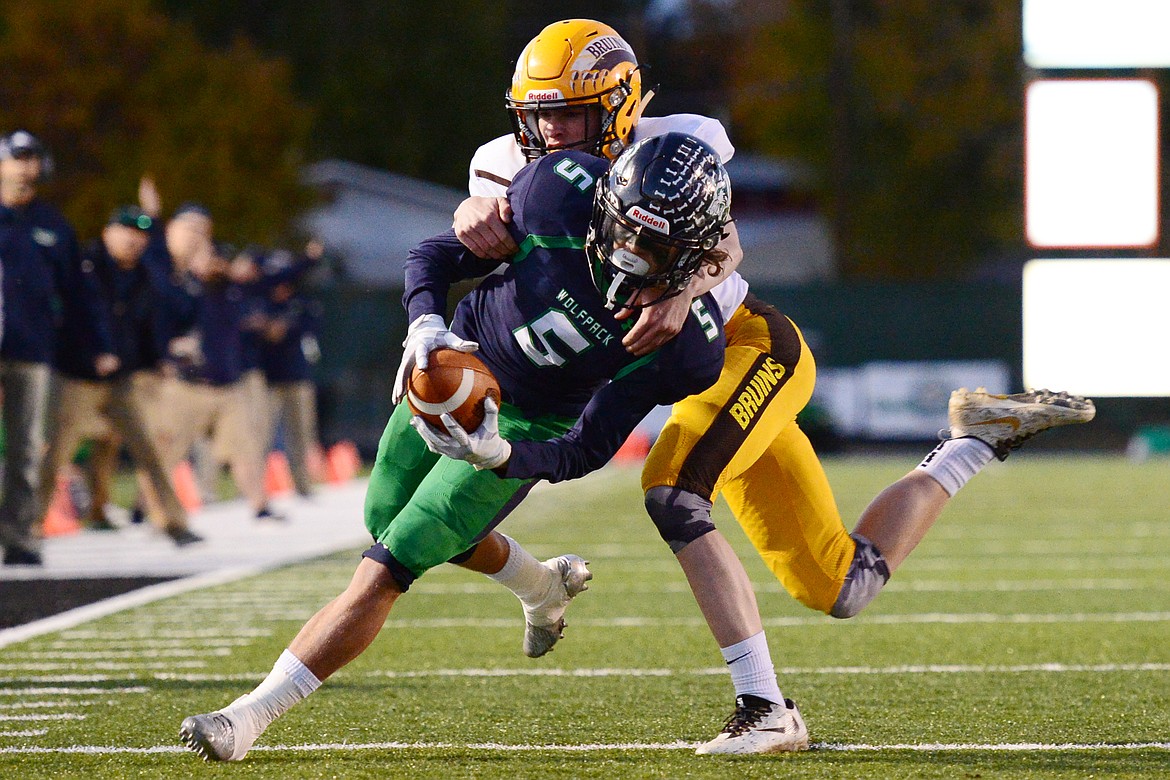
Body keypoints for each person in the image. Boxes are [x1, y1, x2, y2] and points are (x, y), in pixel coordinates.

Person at [449, 20, 1097, 755]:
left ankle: (765, 708)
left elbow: (726, 243)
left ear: (620, 105)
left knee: (673, 490)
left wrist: (680, 286)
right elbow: (493, 254)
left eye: (570, 113)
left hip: (748, 349)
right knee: (842, 585)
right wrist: (467, 221)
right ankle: (974, 439)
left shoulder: (676, 144)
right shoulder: (502, 167)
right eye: (540, 116)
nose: (554, 132)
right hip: (687, 383)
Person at [178, 132, 734, 762]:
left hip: (527, 426)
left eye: (656, 246)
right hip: (452, 370)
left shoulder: (688, 341)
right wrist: (425, 324)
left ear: (694, 256)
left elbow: (588, 447)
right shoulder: (557, 193)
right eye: (623, 230)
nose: (630, 253)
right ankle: (540, 585)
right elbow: (434, 256)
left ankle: (246, 717)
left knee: (391, 561)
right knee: (384, 519)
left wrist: (505, 459)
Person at [38, 205, 202, 545]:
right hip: (77, 377)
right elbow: (71, 317)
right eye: (126, 231)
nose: (133, 240)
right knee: (55, 454)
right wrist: (92, 353)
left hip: (120, 379)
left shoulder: (142, 275)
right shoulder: (83, 267)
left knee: (149, 451)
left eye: (140, 234)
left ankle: (173, 522)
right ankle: (27, 527)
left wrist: (158, 358)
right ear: (108, 232)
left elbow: (145, 324)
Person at [0, 130, 118, 566]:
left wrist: (99, 345)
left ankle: (20, 536)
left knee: (29, 447)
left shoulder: (51, 224)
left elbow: (80, 293)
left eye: (33, 158)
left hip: (32, 350)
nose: (27, 168)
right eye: (18, 157)